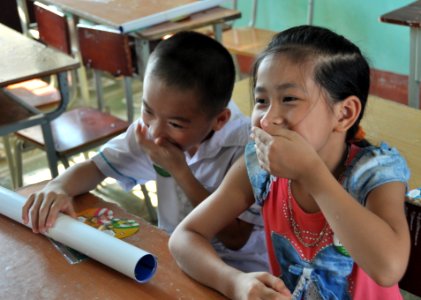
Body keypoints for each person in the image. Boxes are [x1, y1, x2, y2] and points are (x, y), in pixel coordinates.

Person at [169, 25, 411, 299]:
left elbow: (388, 268)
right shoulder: (261, 168)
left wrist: (311, 174)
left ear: (344, 114)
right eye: (261, 100)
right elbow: (184, 238)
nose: (267, 119)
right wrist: (234, 282)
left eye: (289, 99)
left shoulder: (375, 173)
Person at [21, 31, 268, 273]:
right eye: (147, 110)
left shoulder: (248, 149)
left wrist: (179, 170)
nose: (157, 132)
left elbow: (235, 238)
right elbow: (95, 168)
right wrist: (59, 187)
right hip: (177, 260)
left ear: (219, 120)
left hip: (239, 274)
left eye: (175, 124)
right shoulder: (150, 131)